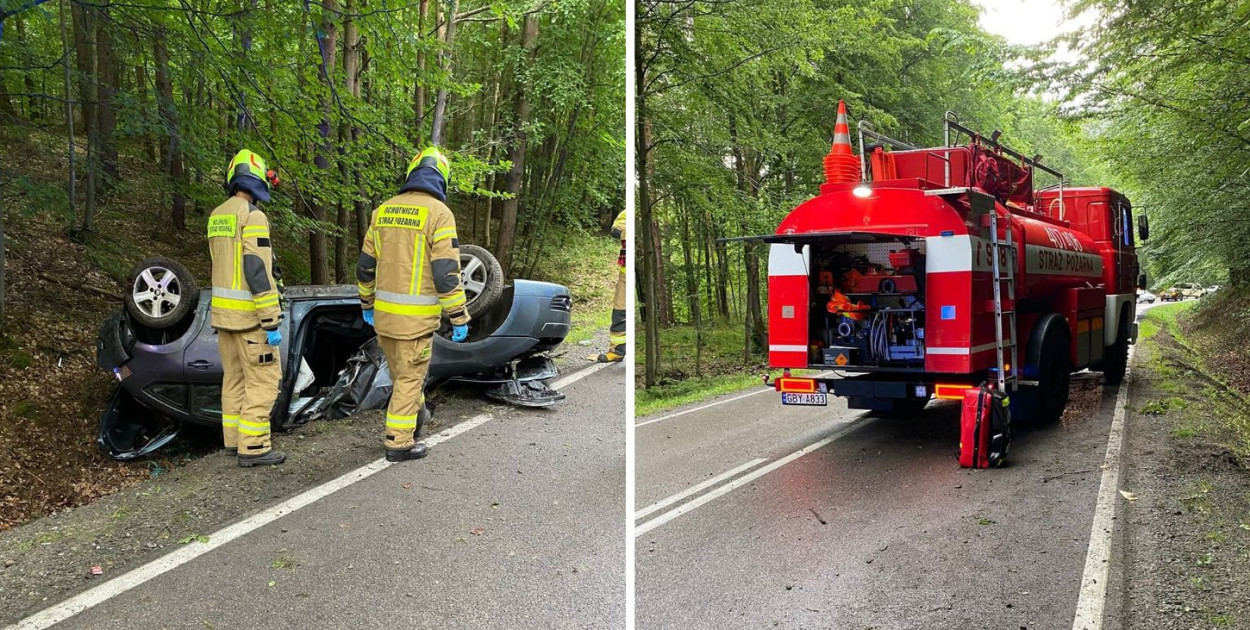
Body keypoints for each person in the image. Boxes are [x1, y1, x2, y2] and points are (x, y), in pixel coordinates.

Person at [356, 147, 470, 462]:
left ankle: (416, 420)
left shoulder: (383, 211)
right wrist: (459, 316)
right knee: (410, 378)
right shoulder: (439, 214)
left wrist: (366, 302)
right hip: (415, 321)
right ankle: (399, 441)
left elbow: (365, 266)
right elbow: (447, 273)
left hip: (384, 318)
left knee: (401, 375)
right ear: (442, 179)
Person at [207, 149, 286, 467]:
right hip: (250, 318)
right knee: (265, 379)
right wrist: (270, 319)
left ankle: (234, 441)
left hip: (224, 318)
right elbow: (256, 269)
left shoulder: (218, 214)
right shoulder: (253, 216)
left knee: (235, 379)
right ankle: (254, 446)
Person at [595, 210, 627, 363]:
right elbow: (615, 229)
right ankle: (617, 350)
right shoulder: (627, 213)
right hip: (626, 274)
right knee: (620, 312)